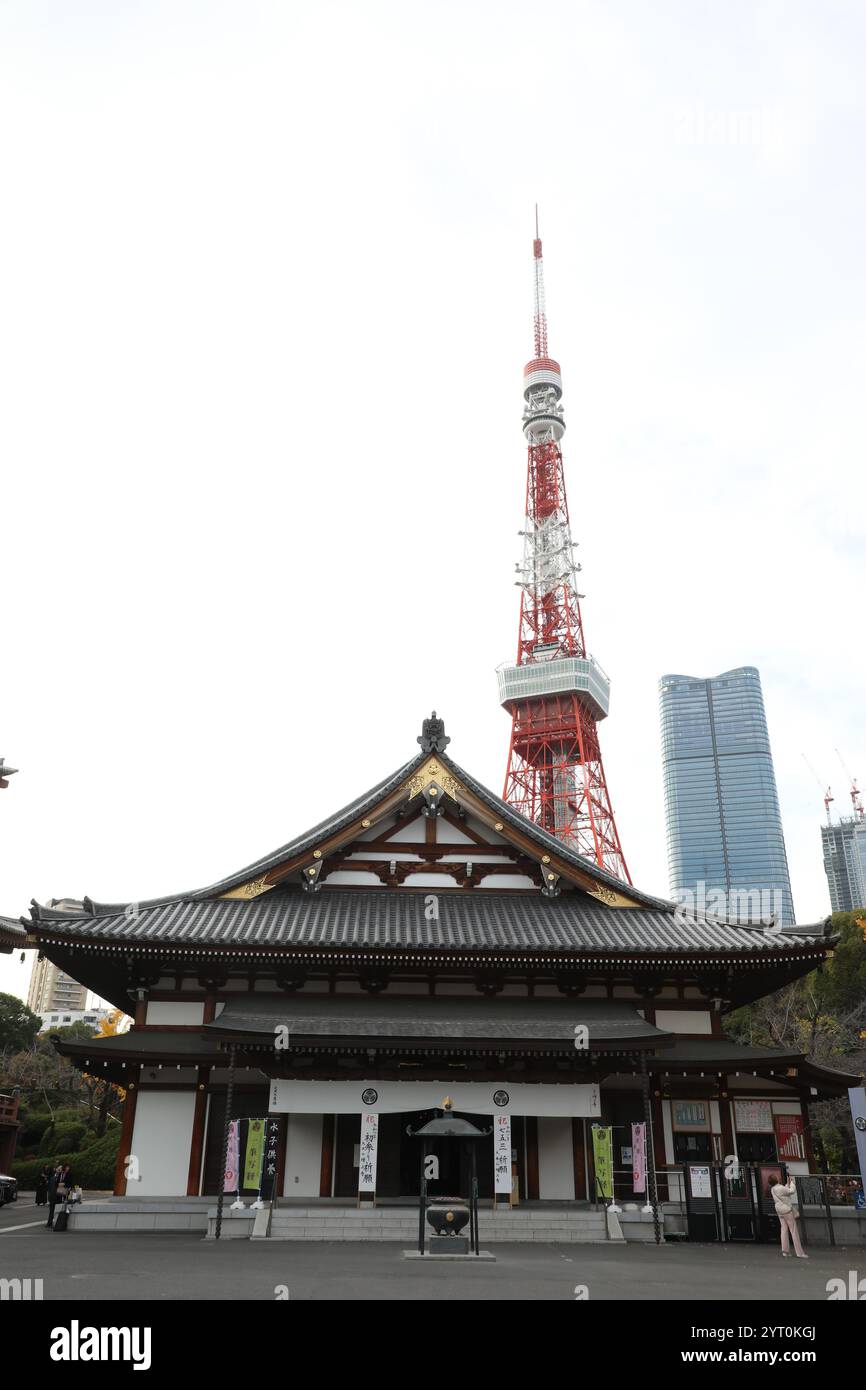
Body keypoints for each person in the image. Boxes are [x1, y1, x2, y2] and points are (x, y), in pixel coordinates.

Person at [771, 1176, 807, 1258]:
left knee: (783, 1229)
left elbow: (784, 1191)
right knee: (793, 1230)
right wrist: (792, 1183)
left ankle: (785, 1251)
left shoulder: (773, 1189)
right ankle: (799, 1253)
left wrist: (787, 1183)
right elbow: (791, 1191)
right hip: (787, 1210)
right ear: (776, 1179)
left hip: (779, 1210)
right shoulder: (780, 1188)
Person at [46, 1163, 72, 1229]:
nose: (60, 1170)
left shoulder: (62, 1176)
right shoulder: (52, 1177)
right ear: (56, 1169)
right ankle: (49, 1223)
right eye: (59, 1169)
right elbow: (49, 1188)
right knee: (51, 1210)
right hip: (53, 1196)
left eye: (61, 1169)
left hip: (59, 1196)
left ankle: (57, 1223)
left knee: (58, 1209)